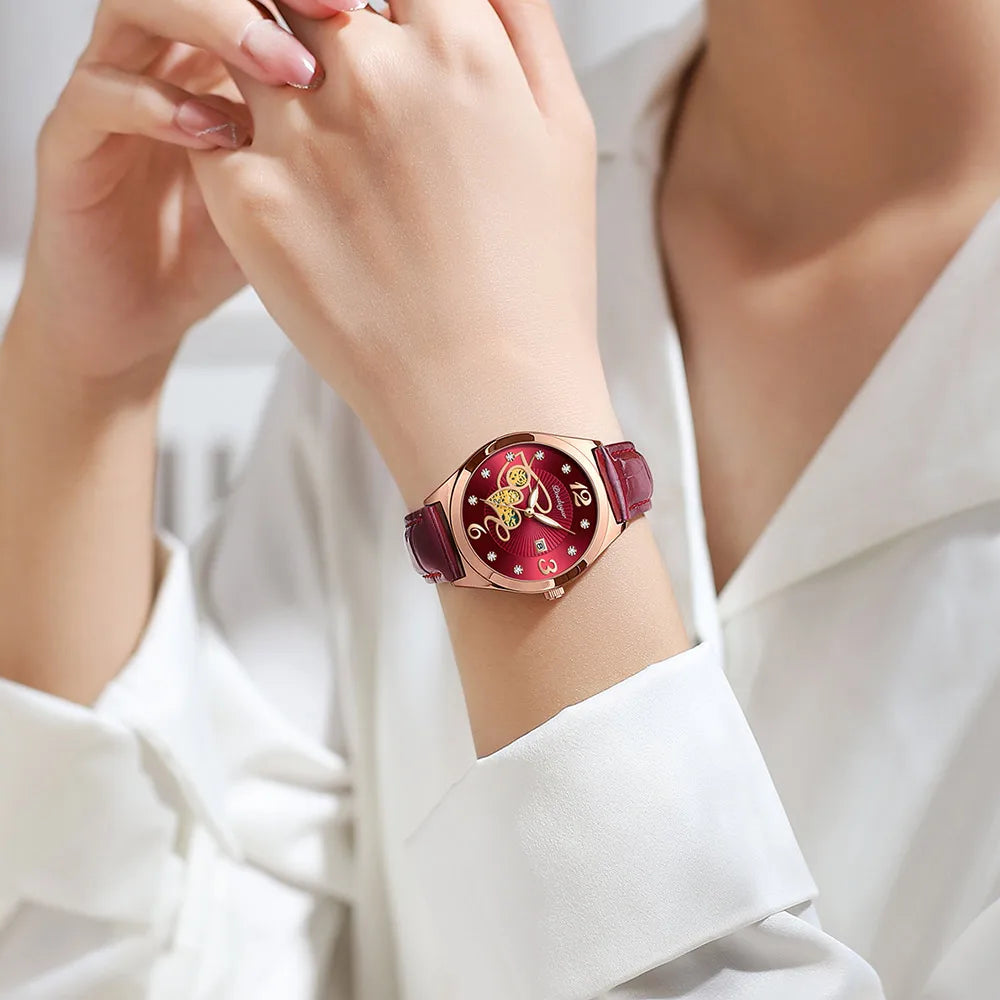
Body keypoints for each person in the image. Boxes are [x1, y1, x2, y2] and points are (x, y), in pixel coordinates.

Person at [0, 0, 997, 995]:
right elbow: (176, 952)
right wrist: (84, 385)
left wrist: (492, 414)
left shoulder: (447, 186)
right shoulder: (429, 160)